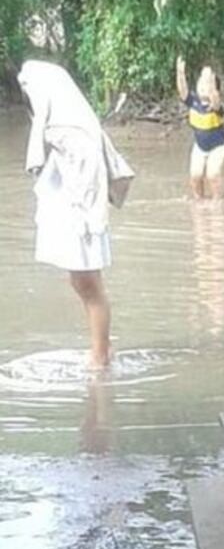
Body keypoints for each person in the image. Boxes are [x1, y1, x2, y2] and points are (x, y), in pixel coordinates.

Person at [17, 60, 135, 369]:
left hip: (81, 219)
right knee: (81, 283)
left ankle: (100, 359)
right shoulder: (61, 127)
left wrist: (85, 221)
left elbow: (88, 181)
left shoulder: (73, 130)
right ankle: (103, 350)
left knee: (88, 285)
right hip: (75, 217)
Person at [176, 56, 224, 199]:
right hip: (199, 146)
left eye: (209, 82)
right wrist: (180, 74)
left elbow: (215, 100)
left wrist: (211, 83)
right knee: (195, 175)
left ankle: (217, 201)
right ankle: (199, 201)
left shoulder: (216, 107)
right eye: (201, 81)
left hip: (218, 147)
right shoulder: (193, 102)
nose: (204, 85)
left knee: (212, 174)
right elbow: (183, 91)